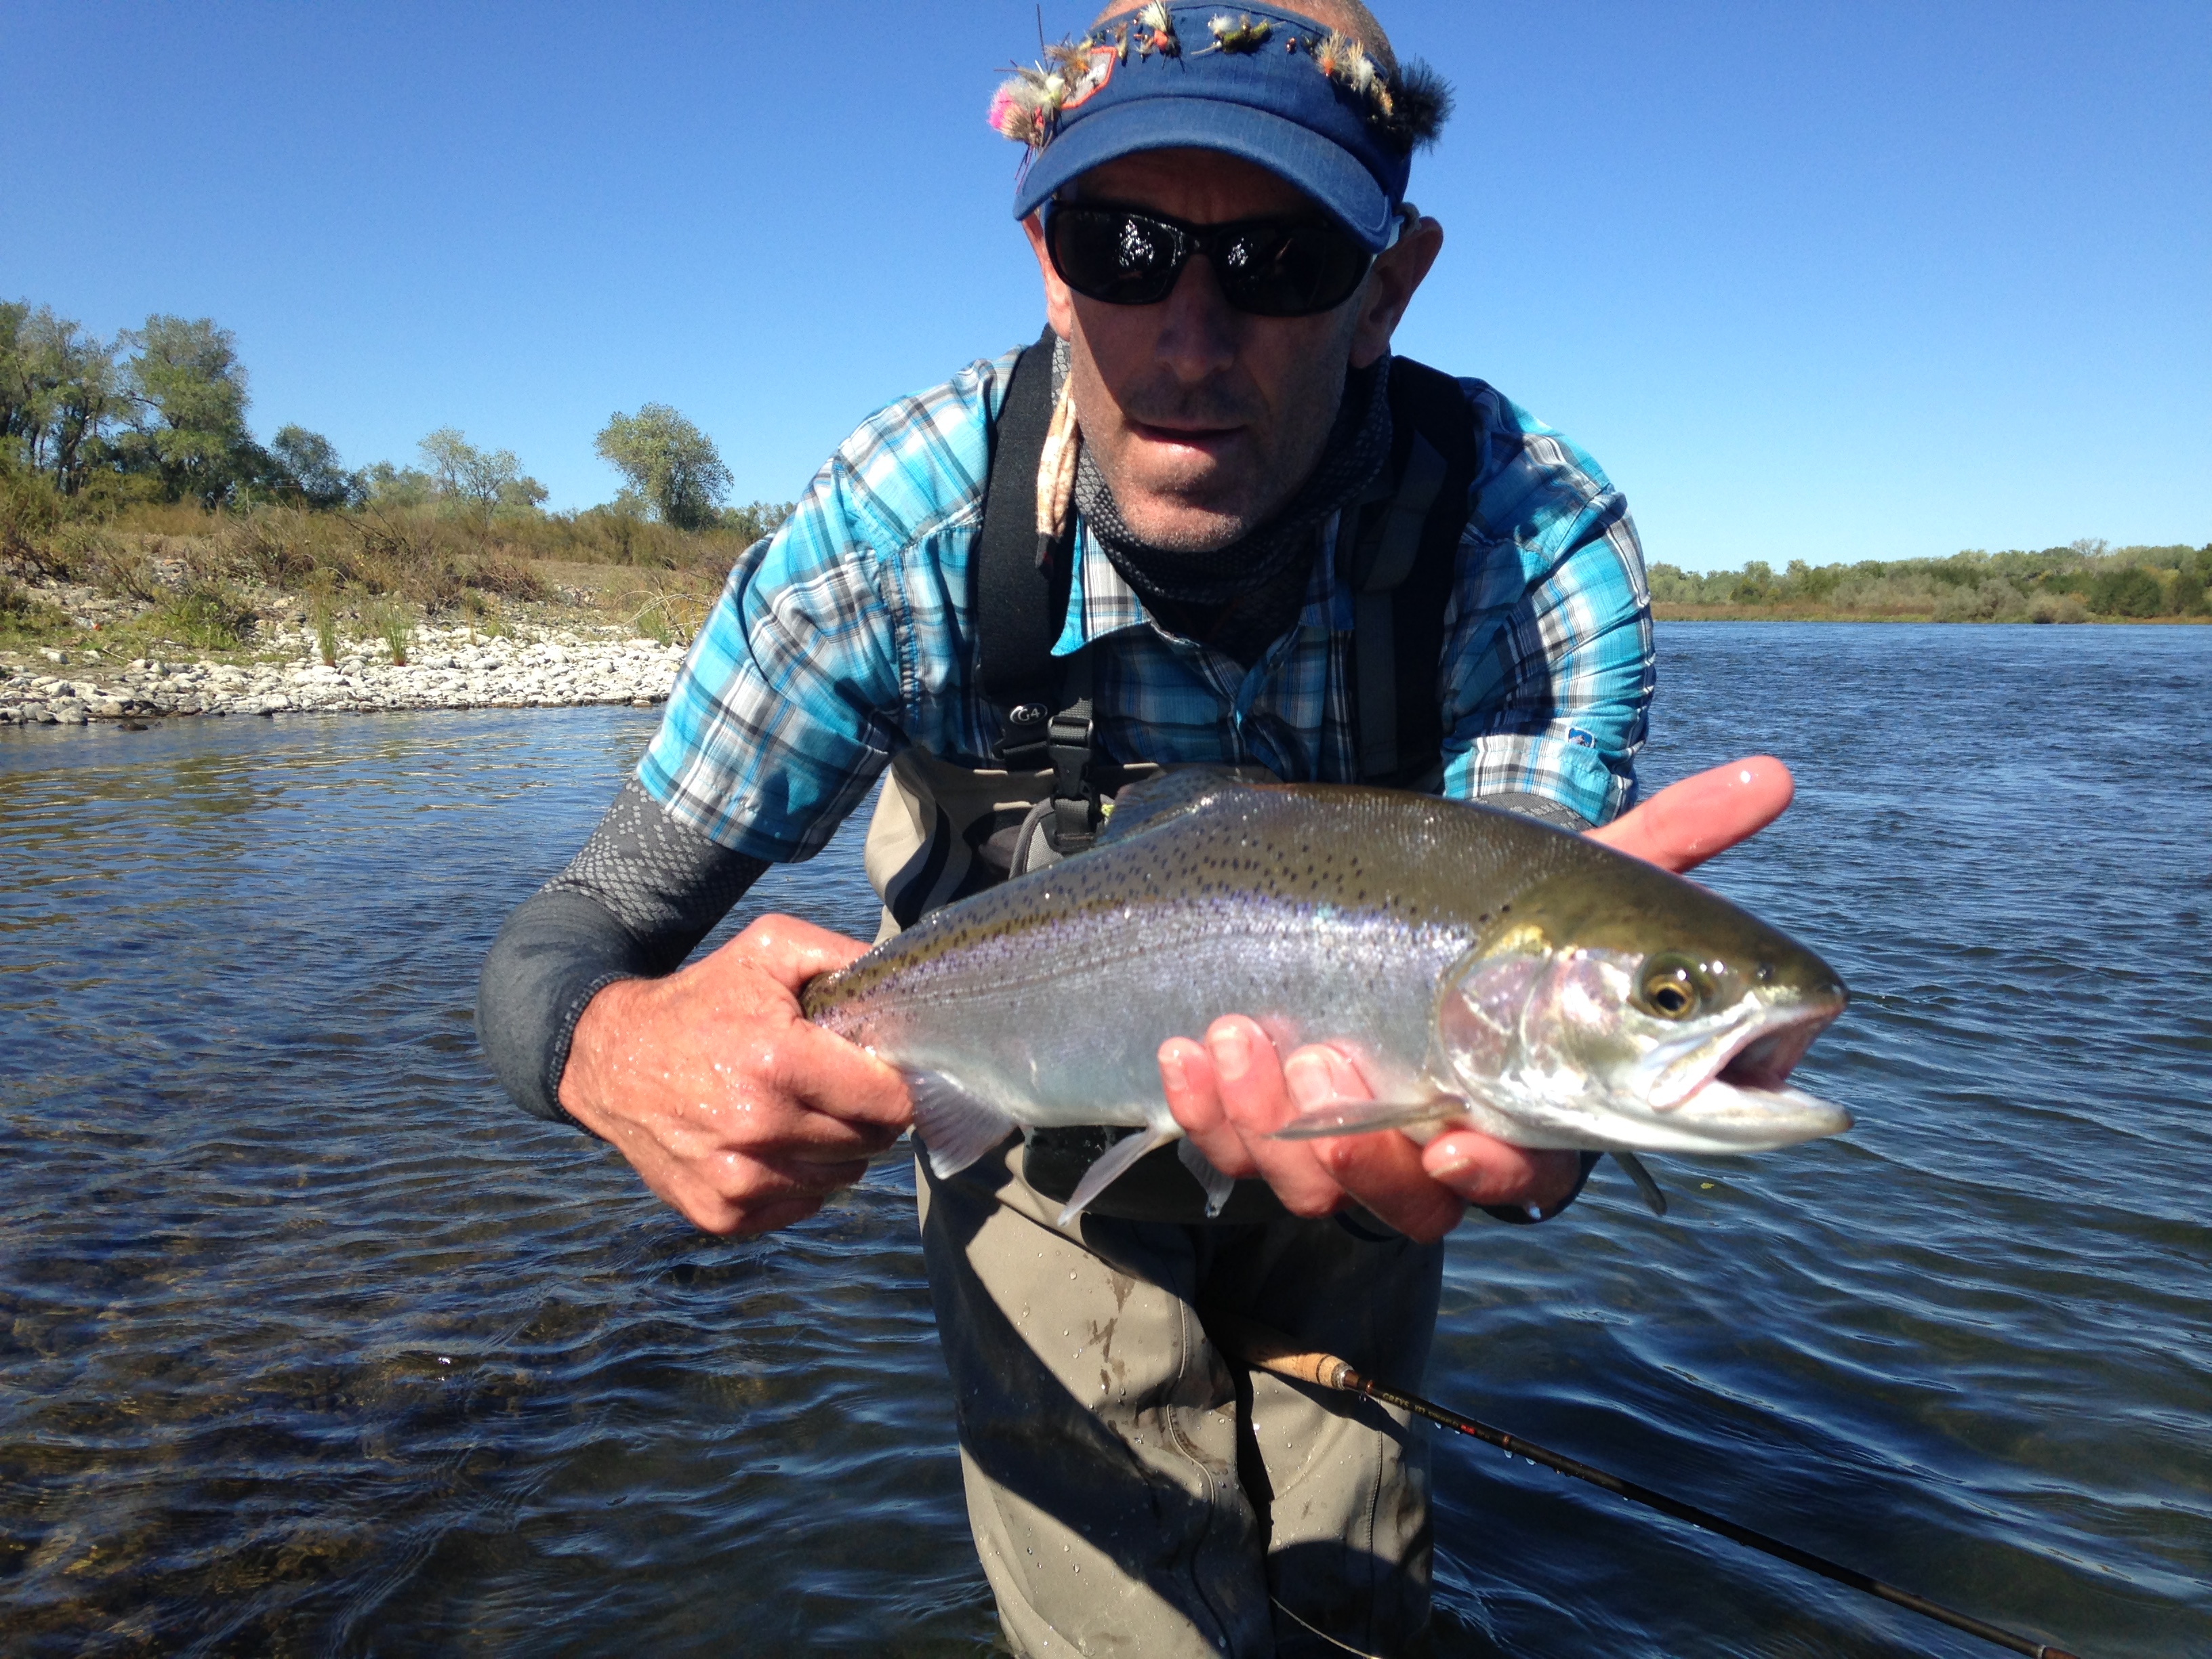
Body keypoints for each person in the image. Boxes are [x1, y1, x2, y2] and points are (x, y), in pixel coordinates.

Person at [478, 3, 1795, 1652]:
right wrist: (599, 1046)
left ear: (1390, 284)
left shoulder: (1523, 544)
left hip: (1362, 1123)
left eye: (1279, 261)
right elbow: (568, 934)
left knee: (1352, 1593)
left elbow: (1513, 1002)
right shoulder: (893, 533)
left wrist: (1556, 1126)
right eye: (1126, 245)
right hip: (1019, 1122)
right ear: (1045, 256)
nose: (1188, 336)